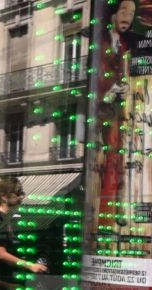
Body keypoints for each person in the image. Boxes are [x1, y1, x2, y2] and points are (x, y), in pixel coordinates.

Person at [96, 0, 136, 230]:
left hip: (117, 113)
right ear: (113, 14)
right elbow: (100, 75)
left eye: (131, 13)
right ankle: (106, 216)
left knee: (117, 163)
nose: (127, 17)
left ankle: (111, 214)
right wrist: (110, 90)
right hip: (104, 113)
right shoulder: (100, 40)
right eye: (123, 11)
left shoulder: (123, 45)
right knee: (108, 163)